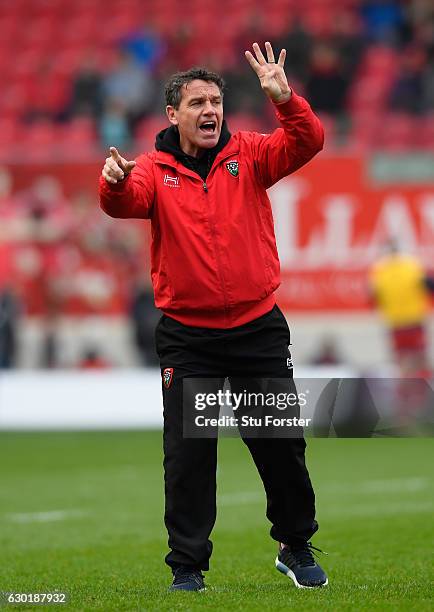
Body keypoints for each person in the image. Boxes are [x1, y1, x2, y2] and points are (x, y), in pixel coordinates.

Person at [99, 42, 327, 591]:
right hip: (188, 337)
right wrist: (110, 180)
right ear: (172, 114)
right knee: (189, 456)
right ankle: (187, 567)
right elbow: (125, 199)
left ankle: (294, 546)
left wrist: (285, 99)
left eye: (217, 101)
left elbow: (308, 142)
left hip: (256, 327)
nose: (210, 111)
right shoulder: (154, 169)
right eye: (197, 102)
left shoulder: (248, 153)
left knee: (280, 445)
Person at [369, 240, 434, 376]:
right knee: (420, 357)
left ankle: (405, 390)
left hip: (395, 322)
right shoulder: (411, 265)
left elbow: (373, 297)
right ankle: (425, 387)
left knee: (401, 359)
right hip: (414, 319)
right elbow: (428, 285)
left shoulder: (380, 270)